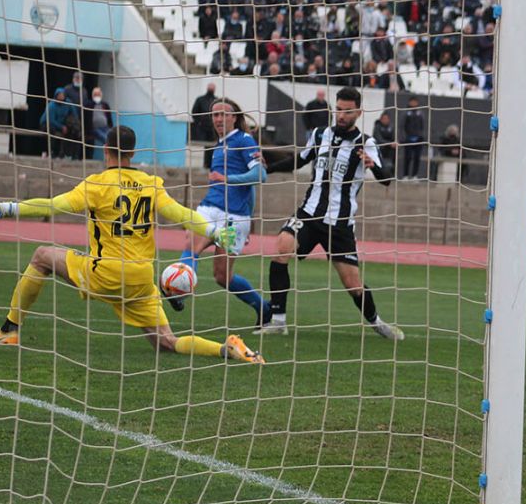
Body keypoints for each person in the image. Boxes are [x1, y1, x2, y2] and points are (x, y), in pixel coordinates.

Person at [0, 126, 263, 364]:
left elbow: (53, 205)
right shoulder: (151, 183)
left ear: (105, 150)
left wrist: (4, 209)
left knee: (42, 256)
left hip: (105, 274)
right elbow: (181, 215)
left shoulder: (97, 183)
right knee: (166, 342)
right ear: (133, 152)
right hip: (140, 278)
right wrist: (215, 231)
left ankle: (9, 330)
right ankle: (226, 349)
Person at [259, 87, 402, 340]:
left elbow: (386, 179)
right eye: (338, 109)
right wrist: (266, 168)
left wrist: (373, 167)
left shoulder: (366, 142)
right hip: (309, 214)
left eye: (347, 111)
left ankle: (376, 321)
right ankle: (278, 319)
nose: (341, 115)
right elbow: (299, 160)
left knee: (352, 284)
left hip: (340, 224)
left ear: (358, 112)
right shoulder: (319, 134)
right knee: (282, 246)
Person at [178, 98, 271, 328]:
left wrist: (246, 219)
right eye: (215, 115)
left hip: (233, 219)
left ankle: (264, 308)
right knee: (192, 242)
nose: (218, 118)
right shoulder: (218, 145)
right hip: (210, 209)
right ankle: (179, 290)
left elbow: (260, 176)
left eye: (223, 114)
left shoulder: (245, 140)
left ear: (234, 117)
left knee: (222, 277)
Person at [39, 87, 80, 159]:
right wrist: (62, 127)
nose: (61, 97)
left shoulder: (68, 103)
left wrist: (75, 123)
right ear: (56, 96)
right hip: (47, 123)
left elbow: (74, 114)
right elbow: (51, 120)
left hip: (60, 124)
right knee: (53, 131)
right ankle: (49, 152)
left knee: (74, 131)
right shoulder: (51, 106)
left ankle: (70, 155)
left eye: (62, 95)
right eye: (59, 95)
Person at [191, 83, 217, 168]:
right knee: (201, 147)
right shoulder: (200, 99)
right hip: (202, 129)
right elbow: (194, 113)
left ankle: (210, 165)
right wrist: (199, 122)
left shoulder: (216, 101)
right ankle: (204, 165)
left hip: (213, 129)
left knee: (212, 148)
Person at [401, 96, 425, 180]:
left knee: (417, 158)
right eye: (412, 102)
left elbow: (423, 126)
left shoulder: (420, 113)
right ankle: (405, 175)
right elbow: (402, 125)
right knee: (407, 157)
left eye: (415, 102)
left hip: (418, 139)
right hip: (408, 138)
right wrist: (405, 137)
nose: (414, 104)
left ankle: (415, 175)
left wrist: (421, 136)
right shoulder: (406, 113)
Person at [88, 87, 113, 159]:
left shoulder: (105, 105)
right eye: (95, 94)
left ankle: (112, 157)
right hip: (95, 129)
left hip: (105, 127)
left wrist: (111, 127)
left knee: (113, 138)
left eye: (98, 94)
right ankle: (108, 158)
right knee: (106, 139)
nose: (97, 96)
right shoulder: (89, 105)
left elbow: (109, 116)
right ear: (92, 96)